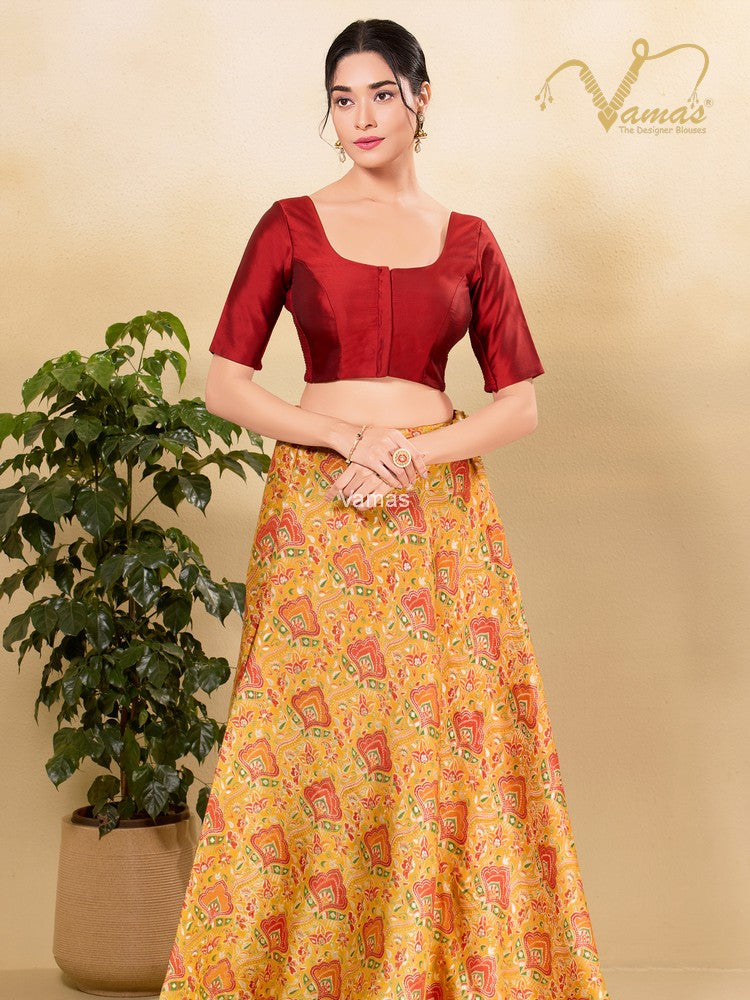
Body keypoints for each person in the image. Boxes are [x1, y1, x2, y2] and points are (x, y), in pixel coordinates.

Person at [159, 18, 611, 1000]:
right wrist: (344, 441)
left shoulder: (470, 240)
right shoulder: (288, 225)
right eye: (341, 98)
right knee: (304, 741)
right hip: (319, 509)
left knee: (437, 742)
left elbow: (520, 406)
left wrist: (406, 454)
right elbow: (226, 383)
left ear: (421, 98)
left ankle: (423, 972)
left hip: (435, 514)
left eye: (379, 94)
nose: (359, 117)